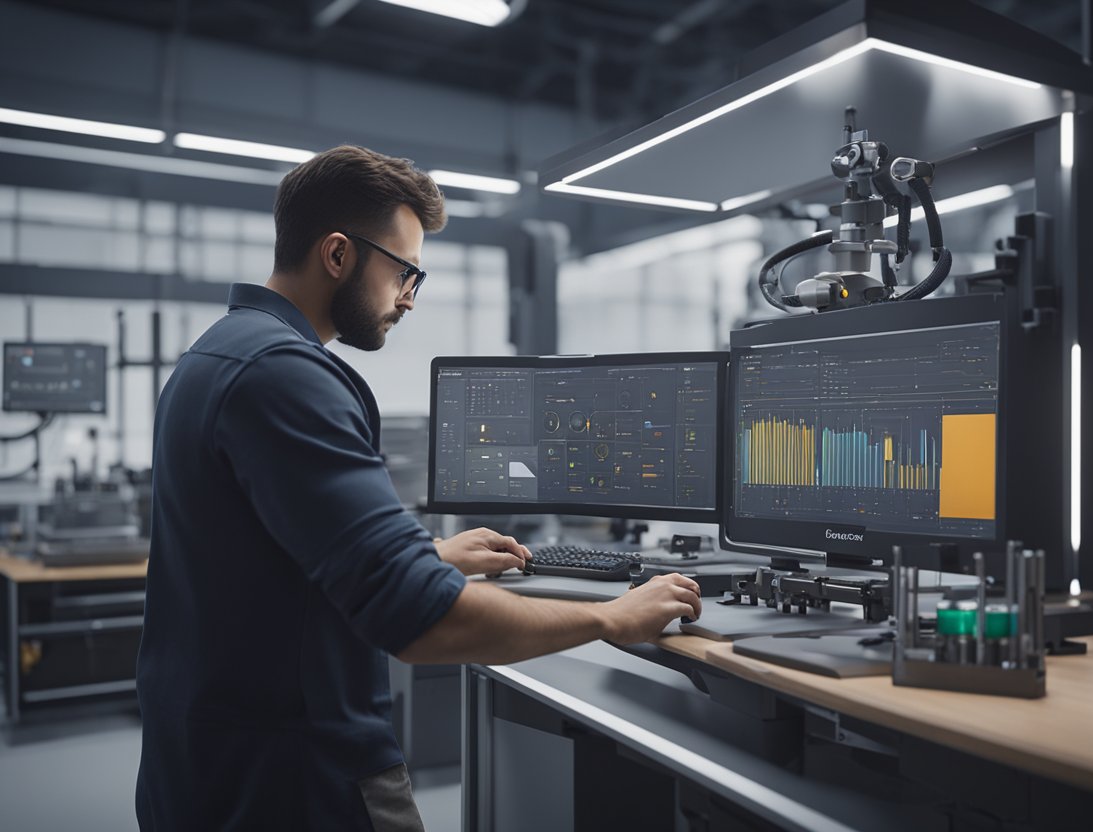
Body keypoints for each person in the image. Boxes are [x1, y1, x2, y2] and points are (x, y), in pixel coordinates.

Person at [134, 145, 701, 831]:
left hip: (203, 767)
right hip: (300, 781)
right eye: (405, 271)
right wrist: (610, 618)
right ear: (338, 255)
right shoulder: (287, 376)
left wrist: (428, 557)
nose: (408, 296)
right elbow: (421, 621)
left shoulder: (213, 357)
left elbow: (264, 564)